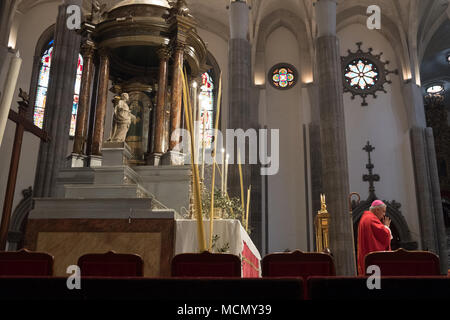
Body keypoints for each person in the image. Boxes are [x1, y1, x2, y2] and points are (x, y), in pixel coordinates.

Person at [357, 200, 393, 275]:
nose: (384, 214)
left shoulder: (366, 217)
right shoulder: (371, 219)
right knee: (376, 284)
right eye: (383, 211)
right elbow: (384, 234)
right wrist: (386, 226)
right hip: (373, 261)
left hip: (367, 256)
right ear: (377, 210)